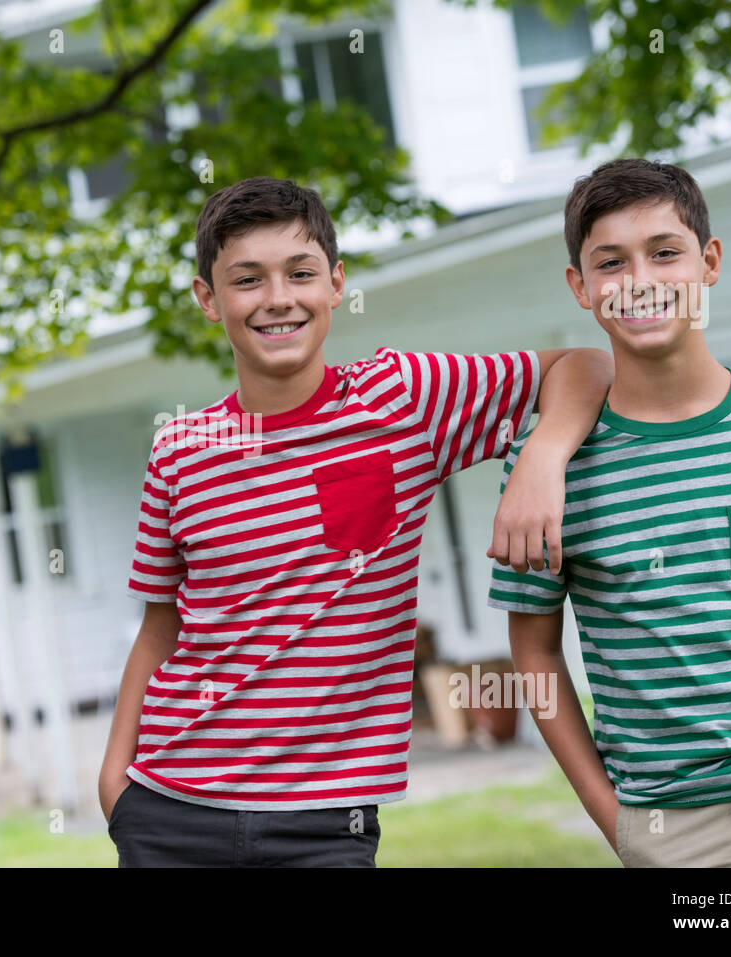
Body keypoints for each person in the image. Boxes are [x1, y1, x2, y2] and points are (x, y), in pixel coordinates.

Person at [99, 175, 613, 866]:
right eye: (246, 279)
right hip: (170, 809)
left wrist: (541, 459)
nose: (278, 298)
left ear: (335, 284)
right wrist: (116, 781)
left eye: (300, 273)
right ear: (207, 298)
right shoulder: (180, 449)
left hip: (325, 824)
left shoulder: (403, 399)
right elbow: (161, 625)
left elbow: (584, 366)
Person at [487, 158, 731, 867]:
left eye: (665, 252)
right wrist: (615, 819)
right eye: (611, 262)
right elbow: (533, 652)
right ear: (581, 287)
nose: (641, 281)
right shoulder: (544, 474)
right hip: (679, 829)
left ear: (709, 261)